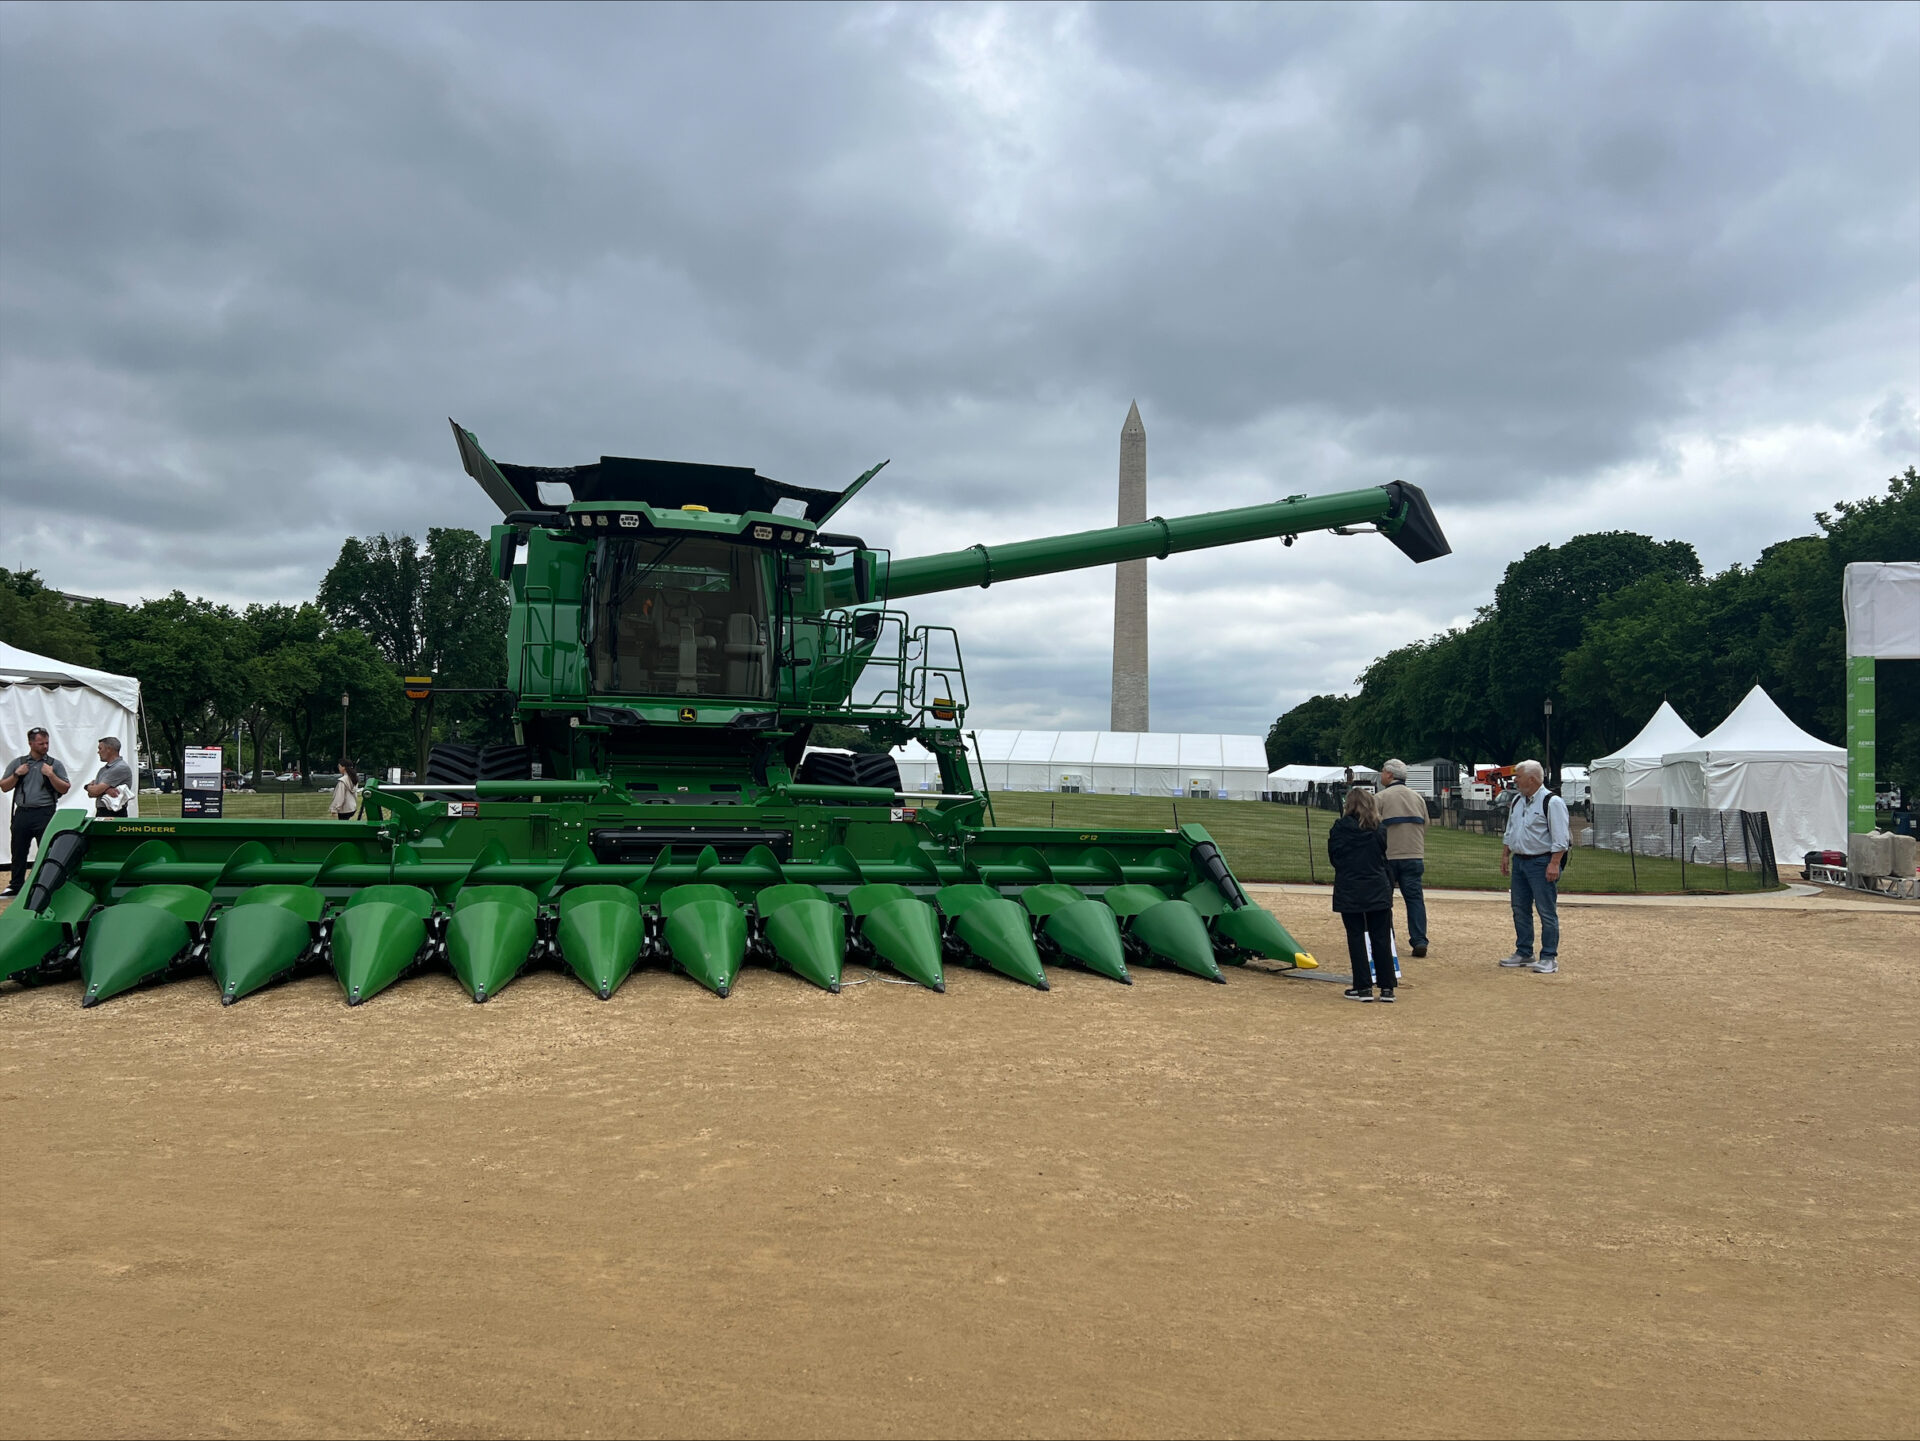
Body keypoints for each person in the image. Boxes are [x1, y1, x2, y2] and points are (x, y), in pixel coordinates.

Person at [1327, 785, 1397, 1003]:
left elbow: (1335, 858)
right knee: (1381, 937)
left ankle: (1363, 986)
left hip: (1350, 887)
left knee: (1356, 937)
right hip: (1377, 886)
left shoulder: (1340, 828)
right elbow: (1382, 856)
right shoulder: (1379, 829)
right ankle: (1387, 988)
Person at [1500, 758, 1569, 974]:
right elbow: (1511, 829)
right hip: (1520, 861)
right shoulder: (1517, 801)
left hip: (1541, 861)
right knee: (1519, 908)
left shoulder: (1552, 802)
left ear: (1531, 779)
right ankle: (1524, 951)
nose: (1515, 780)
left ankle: (1549, 956)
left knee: (1546, 910)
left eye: (1518, 776)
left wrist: (1554, 863)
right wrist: (1506, 854)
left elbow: (1561, 838)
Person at [2, 726, 71, 897]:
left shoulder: (54, 764)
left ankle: (44, 884)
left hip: (45, 812)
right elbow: (4, 786)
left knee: (46, 849)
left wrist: (51, 775)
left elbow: (65, 788)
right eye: (41, 743)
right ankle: (16, 884)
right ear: (31, 743)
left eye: (47, 743)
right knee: (18, 850)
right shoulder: (19, 763)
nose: (45, 746)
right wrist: (17, 775)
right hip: (23, 812)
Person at [1375, 758, 1430, 957]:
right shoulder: (1417, 798)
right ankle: (1419, 940)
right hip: (1414, 854)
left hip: (1389, 856)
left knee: (1383, 901)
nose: (1381, 774)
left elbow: (1373, 827)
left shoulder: (1381, 798)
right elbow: (1425, 825)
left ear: (1390, 775)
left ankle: (1386, 941)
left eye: (1382, 771)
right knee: (1415, 899)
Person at [84, 736, 135, 818]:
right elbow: (91, 794)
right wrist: (105, 790)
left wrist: (90, 787)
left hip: (114, 813)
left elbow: (95, 791)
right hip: (102, 811)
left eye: (100, 749)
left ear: (109, 749)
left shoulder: (120, 767)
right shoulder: (103, 770)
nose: (98, 752)